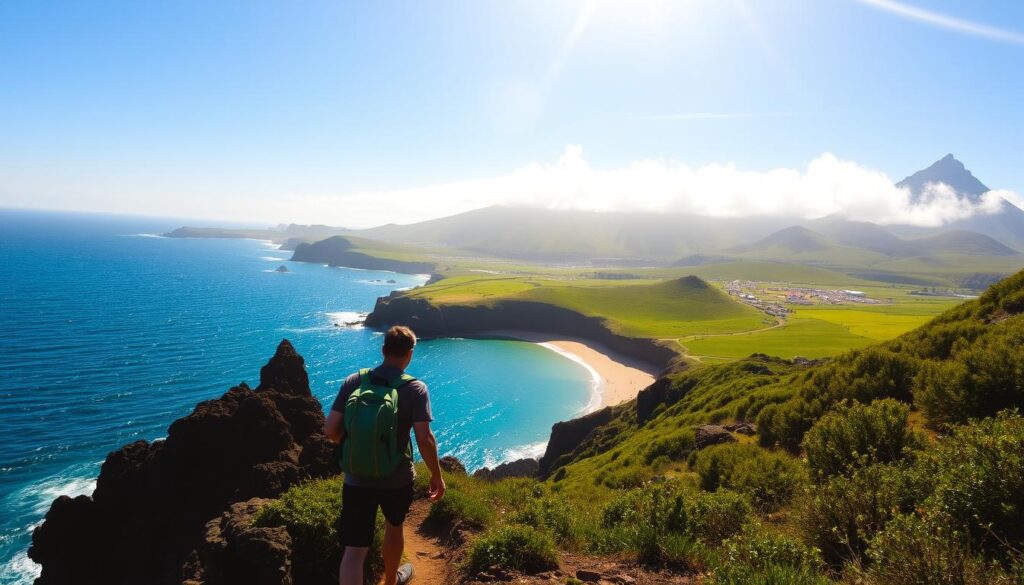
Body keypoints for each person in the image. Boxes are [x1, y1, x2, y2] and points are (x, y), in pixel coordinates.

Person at [324, 325, 445, 585]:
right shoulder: (416, 389)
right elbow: (424, 439)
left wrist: (359, 447)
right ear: (410, 354)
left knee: (354, 549)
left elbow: (330, 429)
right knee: (394, 527)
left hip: (357, 477)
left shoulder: (354, 381)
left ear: (383, 350)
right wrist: (436, 475)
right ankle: (391, 581)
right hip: (397, 477)